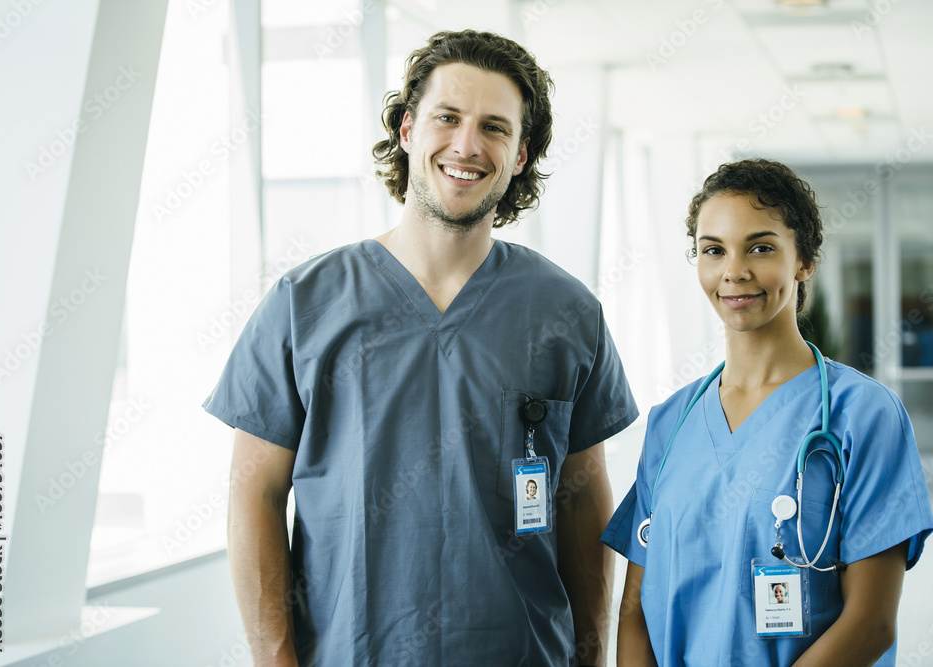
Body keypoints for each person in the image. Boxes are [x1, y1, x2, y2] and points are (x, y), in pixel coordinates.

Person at [205, 29, 638, 667]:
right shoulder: (304, 305)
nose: (467, 145)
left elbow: (583, 494)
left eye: (495, 127)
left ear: (520, 155)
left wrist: (591, 655)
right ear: (408, 129)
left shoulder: (566, 312)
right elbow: (254, 494)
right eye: (447, 117)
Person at [601, 159, 933, 666]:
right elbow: (634, 610)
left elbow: (870, 623)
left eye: (760, 247)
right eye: (714, 250)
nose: (734, 271)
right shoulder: (671, 421)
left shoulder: (863, 415)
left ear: (803, 262)